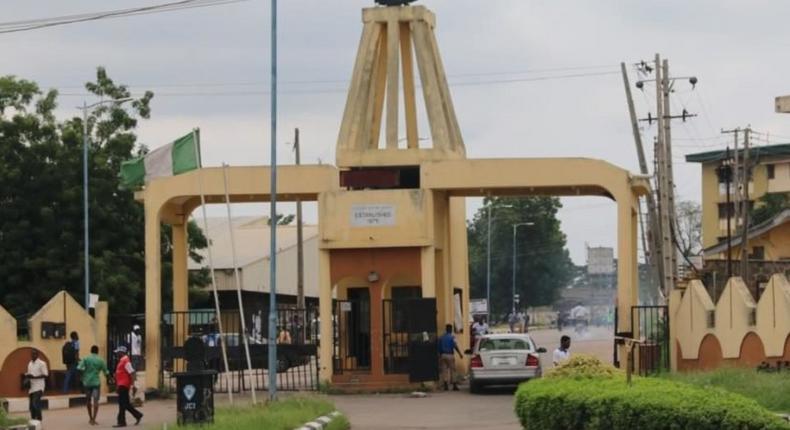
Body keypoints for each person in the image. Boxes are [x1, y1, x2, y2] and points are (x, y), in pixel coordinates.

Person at [77, 345, 110, 426]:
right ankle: (94, 419)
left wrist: (82, 376)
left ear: (91, 351)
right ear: (97, 351)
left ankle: (90, 417)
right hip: (96, 383)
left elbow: (79, 368)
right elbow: (106, 372)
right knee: (95, 401)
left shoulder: (86, 358)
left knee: (88, 401)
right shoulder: (101, 360)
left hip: (87, 383)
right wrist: (109, 379)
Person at [113, 346, 143, 428]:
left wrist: (133, 385)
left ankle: (122, 421)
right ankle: (137, 415)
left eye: (118, 352)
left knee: (122, 404)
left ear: (122, 353)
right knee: (125, 404)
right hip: (122, 385)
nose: (117, 354)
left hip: (124, 385)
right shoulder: (122, 361)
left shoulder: (125, 361)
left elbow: (132, 373)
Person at [437, 324, 463, 391]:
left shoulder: (441, 337)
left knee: (444, 370)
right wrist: (460, 353)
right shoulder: (452, 337)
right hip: (450, 355)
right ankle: (454, 385)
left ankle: (445, 385)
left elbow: (438, 347)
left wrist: (439, 355)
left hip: (443, 355)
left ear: (446, 329)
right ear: (451, 330)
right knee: (453, 370)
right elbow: (455, 346)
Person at [26, 349, 48, 423]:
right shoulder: (30, 363)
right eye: (32, 354)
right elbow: (29, 374)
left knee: (35, 403)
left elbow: (45, 375)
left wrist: (35, 377)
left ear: (37, 355)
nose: (33, 356)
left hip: (39, 386)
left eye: (34, 354)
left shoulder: (42, 363)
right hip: (31, 387)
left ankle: (39, 419)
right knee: (31, 406)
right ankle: (33, 421)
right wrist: (28, 377)